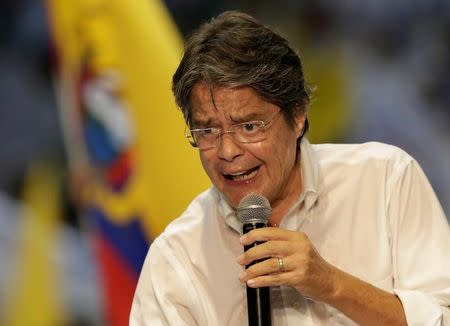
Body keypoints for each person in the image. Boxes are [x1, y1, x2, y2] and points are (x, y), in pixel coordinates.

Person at [130, 11, 450, 325]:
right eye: (208, 131)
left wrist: (330, 283)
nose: (227, 151)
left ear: (297, 115)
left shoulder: (385, 181)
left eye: (250, 127)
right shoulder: (176, 259)